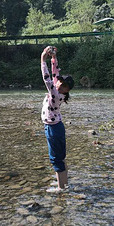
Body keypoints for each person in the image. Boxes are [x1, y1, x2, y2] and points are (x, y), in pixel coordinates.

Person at [41, 45, 74, 193]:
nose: (60, 82)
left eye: (64, 84)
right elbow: (54, 74)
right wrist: (53, 58)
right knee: (61, 157)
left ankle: (61, 189)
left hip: (53, 128)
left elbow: (47, 78)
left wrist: (43, 59)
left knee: (56, 159)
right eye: (61, 81)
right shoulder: (58, 89)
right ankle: (65, 185)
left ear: (67, 90)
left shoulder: (55, 94)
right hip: (57, 126)